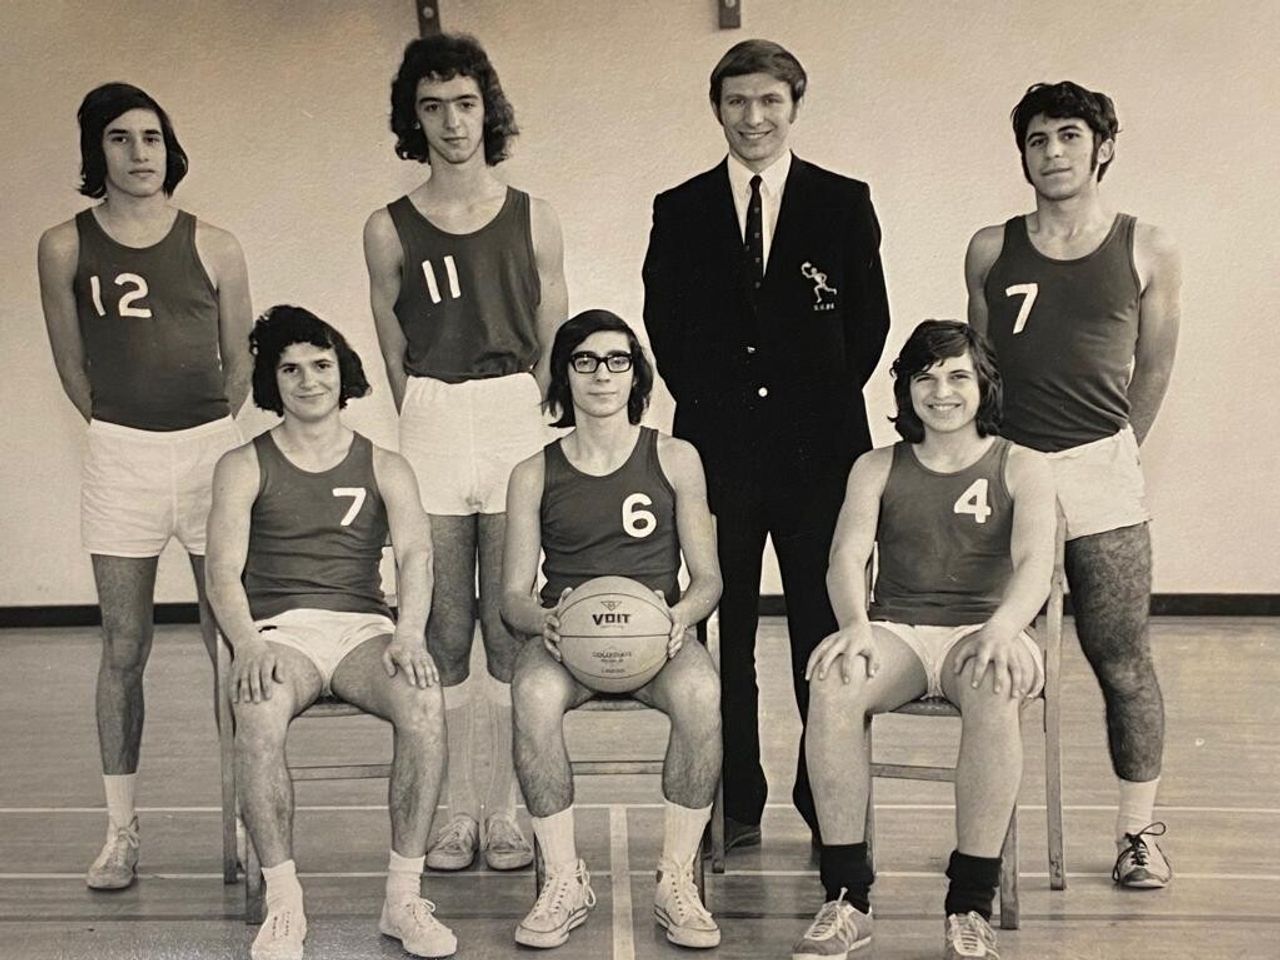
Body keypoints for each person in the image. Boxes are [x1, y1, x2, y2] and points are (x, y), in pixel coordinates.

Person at [642, 39, 891, 848]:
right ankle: (736, 802)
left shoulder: (842, 201)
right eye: (738, 101)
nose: (754, 117)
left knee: (824, 632)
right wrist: (728, 408)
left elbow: (868, 328)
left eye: (770, 101)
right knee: (729, 633)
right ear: (718, 108)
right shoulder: (679, 208)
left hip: (820, 455)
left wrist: (801, 406)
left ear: (794, 106)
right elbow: (665, 329)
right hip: (719, 457)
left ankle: (828, 806)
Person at [965, 81, 1181, 889]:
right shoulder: (991, 246)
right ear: (1020, 154)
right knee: (989, 655)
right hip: (1009, 466)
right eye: (1037, 140)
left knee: (1121, 659)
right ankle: (984, 844)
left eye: (1068, 136)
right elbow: (978, 368)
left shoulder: (1146, 245)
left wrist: (1115, 453)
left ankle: (1138, 833)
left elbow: (1153, 367)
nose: (1053, 153)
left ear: (1103, 147)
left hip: (1100, 468)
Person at [36, 82, 252, 890]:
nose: (138, 153)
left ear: (171, 147)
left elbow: (239, 367)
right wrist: (125, 427)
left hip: (208, 453)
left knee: (228, 643)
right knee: (124, 648)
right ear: (97, 151)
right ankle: (121, 831)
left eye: (152, 138)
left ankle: (242, 814)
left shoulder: (216, 244)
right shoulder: (63, 245)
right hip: (120, 455)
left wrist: (200, 433)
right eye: (121, 139)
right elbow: (71, 365)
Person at [364, 32, 567, 872]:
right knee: (445, 626)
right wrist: (434, 415)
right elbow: (393, 350)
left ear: (490, 109)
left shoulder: (535, 215)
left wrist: (531, 418)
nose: (452, 123)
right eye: (433, 106)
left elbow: (556, 334)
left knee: (510, 623)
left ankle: (511, 812)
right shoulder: (387, 226)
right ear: (414, 119)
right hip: (437, 417)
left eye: (466, 103)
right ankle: (452, 812)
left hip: (518, 410)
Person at [793, 320, 1055, 960]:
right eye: (926, 377)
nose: (942, 391)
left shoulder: (1022, 464)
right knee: (832, 680)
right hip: (898, 630)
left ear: (983, 384)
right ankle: (848, 898)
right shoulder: (877, 465)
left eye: (958, 375)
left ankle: (970, 903)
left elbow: (1034, 566)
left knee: (998, 683)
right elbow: (845, 557)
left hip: (987, 628)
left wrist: (1001, 628)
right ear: (907, 389)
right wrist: (854, 624)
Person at [205, 306, 456, 960]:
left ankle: (403, 897)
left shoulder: (386, 464)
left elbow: (416, 558)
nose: (308, 380)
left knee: (425, 703)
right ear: (272, 381)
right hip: (280, 632)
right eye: (290, 368)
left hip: (361, 631)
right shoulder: (242, 465)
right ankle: (284, 904)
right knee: (256, 712)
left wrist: (409, 634)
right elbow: (223, 575)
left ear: (343, 371)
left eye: (321, 365)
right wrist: (249, 645)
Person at [501, 310, 723, 949]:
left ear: (637, 374)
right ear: (564, 375)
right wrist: (544, 622)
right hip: (567, 642)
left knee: (702, 695)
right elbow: (513, 594)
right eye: (586, 361)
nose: (603, 374)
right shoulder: (533, 472)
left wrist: (679, 619)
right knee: (533, 694)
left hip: (659, 636)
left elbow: (707, 579)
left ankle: (676, 877)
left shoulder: (675, 457)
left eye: (617, 360)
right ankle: (565, 878)